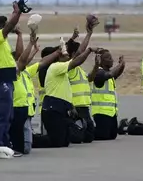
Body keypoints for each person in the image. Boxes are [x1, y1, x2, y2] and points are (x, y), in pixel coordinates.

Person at [32, 15, 97, 148]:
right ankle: (29, 140)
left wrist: (84, 35)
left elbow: (77, 53)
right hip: (52, 108)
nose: (68, 56)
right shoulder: (55, 67)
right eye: (65, 54)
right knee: (57, 142)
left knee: (63, 142)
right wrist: (89, 50)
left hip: (60, 108)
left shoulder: (60, 68)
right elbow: (78, 56)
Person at [0, 2, 23, 158]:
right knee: (2, 115)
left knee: (8, 115)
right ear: (1, 27)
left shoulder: (4, 43)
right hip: (1, 81)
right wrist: (18, 13)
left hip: (8, 80)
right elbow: (10, 25)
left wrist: (20, 35)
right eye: (5, 26)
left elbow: (18, 54)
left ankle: (5, 145)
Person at [10, 32, 41, 155]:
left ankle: (22, 145)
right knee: (23, 134)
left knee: (24, 130)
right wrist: (29, 43)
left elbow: (25, 61)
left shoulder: (25, 72)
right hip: (18, 107)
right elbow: (22, 59)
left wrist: (34, 51)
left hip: (26, 108)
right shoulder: (13, 72)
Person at [66, 26, 96, 144]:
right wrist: (88, 34)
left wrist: (96, 66)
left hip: (84, 106)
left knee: (89, 136)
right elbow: (80, 52)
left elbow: (89, 79)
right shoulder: (70, 67)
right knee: (78, 137)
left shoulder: (79, 69)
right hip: (76, 107)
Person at [88, 49, 125, 140]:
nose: (111, 59)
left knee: (112, 135)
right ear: (101, 61)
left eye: (111, 57)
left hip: (111, 112)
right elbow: (110, 74)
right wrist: (120, 64)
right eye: (108, 58)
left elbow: (115, 74)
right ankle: (85, 132)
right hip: (101, 112)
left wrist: (122, 65)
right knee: (103, 136)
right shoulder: (99, 73)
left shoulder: (107, 73)